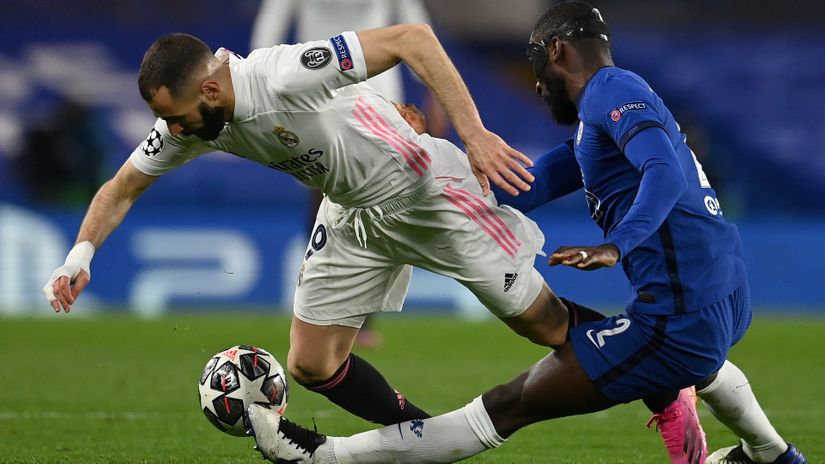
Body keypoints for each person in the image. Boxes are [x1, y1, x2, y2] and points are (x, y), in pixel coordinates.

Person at [245, 2, 807, 463]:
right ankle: (771, 454)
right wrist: (439, 171)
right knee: (696, 365)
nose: (537, 84)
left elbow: (661, 168)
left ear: (557, 51)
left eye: (537, 65)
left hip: (678, 319)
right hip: (726, 295)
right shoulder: (611, 107)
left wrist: (618, 243)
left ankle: (319, 455)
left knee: (505, 407)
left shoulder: (609, 93)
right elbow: (531, 180)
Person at [43, 23, 604, 442]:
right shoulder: (191, 123)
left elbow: (414, 38)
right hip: (351, 214)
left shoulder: (282, 73)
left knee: (548, 327)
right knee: (311, 362)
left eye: (178, 116)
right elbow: (119, 188)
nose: (171, 129)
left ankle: (680, 376)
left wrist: (474, 133)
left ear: (210, 92)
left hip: (424, 192)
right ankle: (427, 442)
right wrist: (79, 256)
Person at [250, 0, 451, 349]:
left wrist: (434, 90)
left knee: (377, 204)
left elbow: (414, 25)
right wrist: (262, 84)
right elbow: (271, 24)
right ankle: (318, 313)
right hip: (316, 95)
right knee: (324, 201)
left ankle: (357, 316)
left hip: (374, 97)